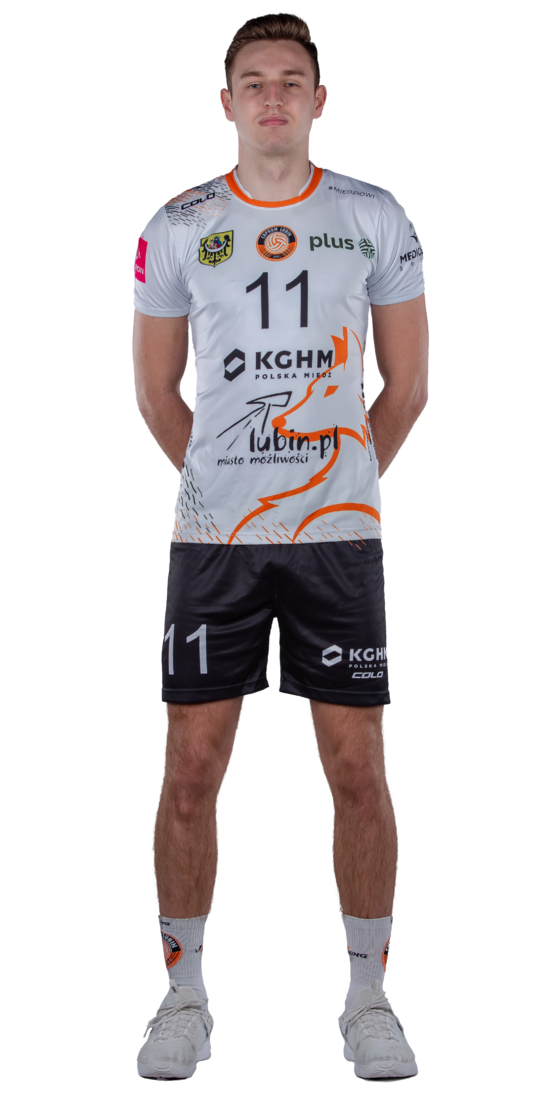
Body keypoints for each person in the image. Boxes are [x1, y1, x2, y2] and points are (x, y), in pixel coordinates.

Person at [130, 11, 430, 1083]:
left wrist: (340, 486)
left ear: (319, 102)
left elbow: (408, 385)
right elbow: (155, 391)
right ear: (225, 103)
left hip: (337, 539)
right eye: (252, 81)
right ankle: (183, 997)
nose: (271, 97)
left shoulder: (373, 215)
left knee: (356, 767)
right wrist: (223, 488)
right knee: (190, 767)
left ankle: (368, 1000)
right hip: (213, 538)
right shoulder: (178, 223)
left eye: (290, 81)